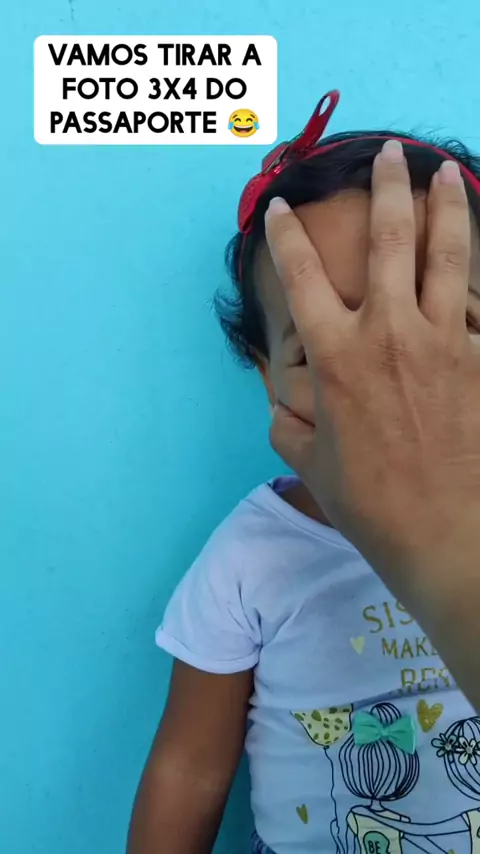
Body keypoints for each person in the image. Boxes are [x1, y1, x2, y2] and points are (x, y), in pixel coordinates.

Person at [127, 91, 480, 854]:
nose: (391, 381)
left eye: (453, 320)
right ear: (267, 378)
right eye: (324, 344)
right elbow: (189, 767)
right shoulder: (252, 554)